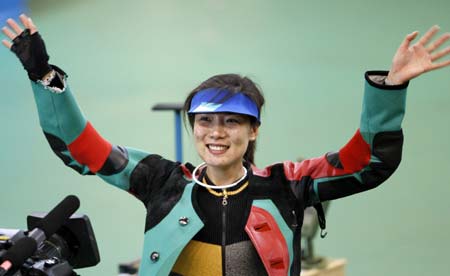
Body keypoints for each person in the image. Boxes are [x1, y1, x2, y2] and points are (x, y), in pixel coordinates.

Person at [2, 14, 450, 276]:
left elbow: (368, 162)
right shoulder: (160, 180)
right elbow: (81, 149)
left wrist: (389, 89)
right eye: (205, 122)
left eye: (232, 122)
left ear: (254, 130)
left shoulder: (287, 185)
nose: (216, 132)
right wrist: (44, 78)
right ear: (193, 127)